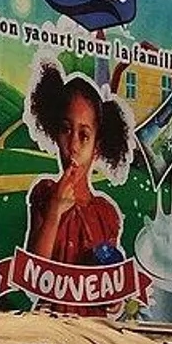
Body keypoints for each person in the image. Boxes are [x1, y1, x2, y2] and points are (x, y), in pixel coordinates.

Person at [24, 62, 132, 270]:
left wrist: (114, 300)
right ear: (55, 133)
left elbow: (109, 278)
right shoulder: (44, 193)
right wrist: (55, 210)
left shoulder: (106, 214)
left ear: (96, 148)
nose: (73, 146)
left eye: (84, 136)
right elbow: (33, 269)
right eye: (66, 129)